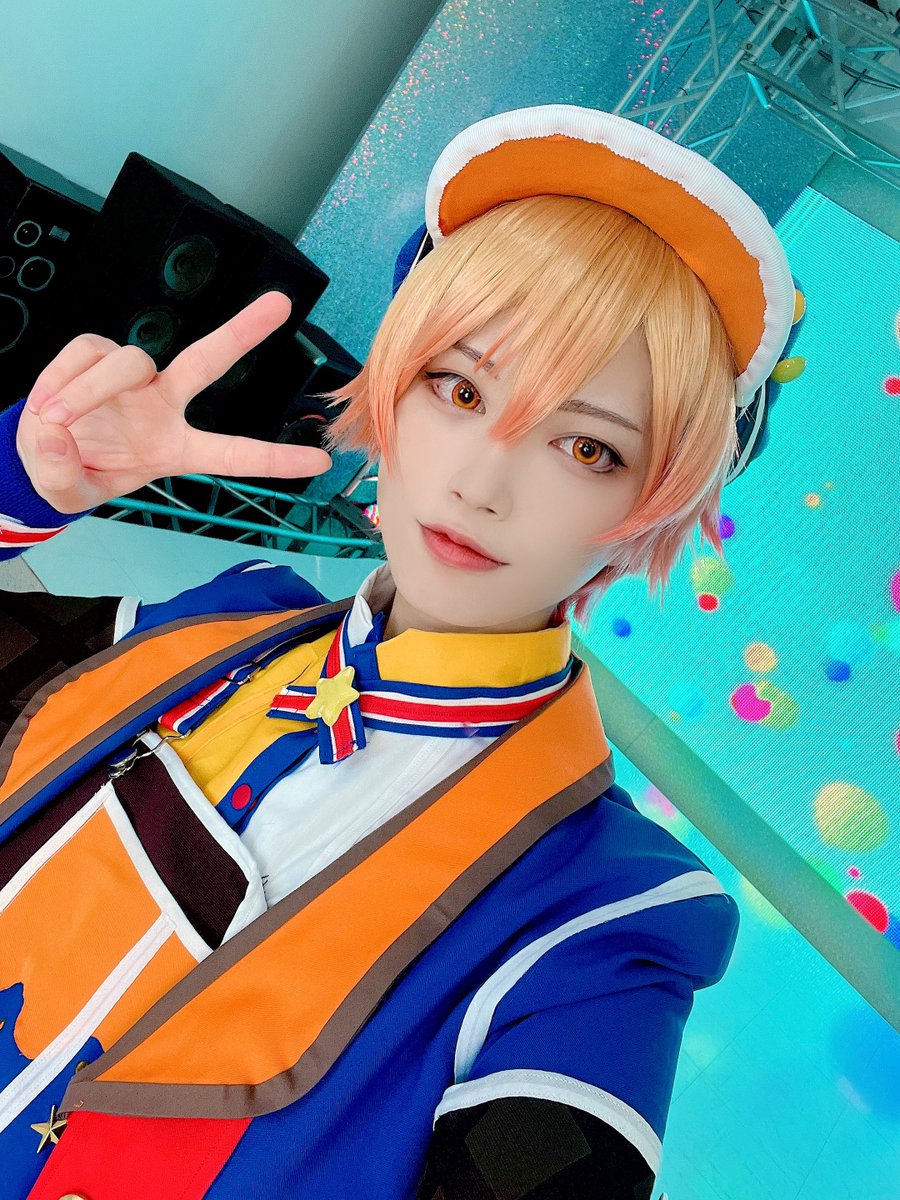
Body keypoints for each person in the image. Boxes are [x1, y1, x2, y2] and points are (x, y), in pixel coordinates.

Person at [0, 104, 805, 1200]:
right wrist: (26, 487)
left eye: (585, 447)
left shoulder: (608, 910)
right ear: (391, 391)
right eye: (460, 389)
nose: (482, 481)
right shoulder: (226, 620)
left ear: (646, 514)